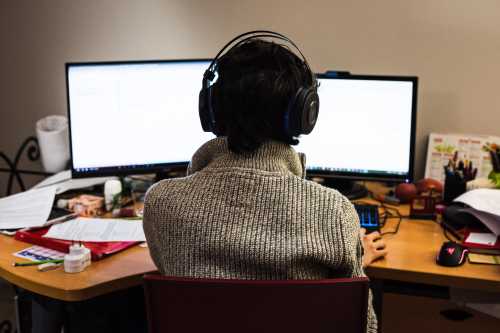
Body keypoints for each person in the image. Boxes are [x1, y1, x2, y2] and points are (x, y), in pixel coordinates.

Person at [143, 31, 386, 333]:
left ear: (210, 110)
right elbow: (363, 327)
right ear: (304, 115)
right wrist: (357, 261)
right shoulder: (334, 212)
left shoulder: (160, 202)